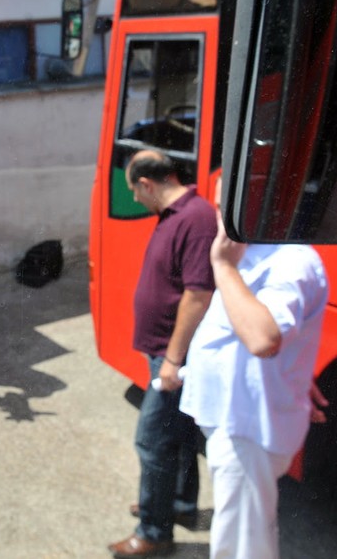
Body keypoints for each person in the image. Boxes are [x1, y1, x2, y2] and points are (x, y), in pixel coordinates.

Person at [180, 204, 329, 559]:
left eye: (223, 204)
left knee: (243, 542)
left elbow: (262, 337)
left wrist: (223, 267)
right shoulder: (250, 249)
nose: (217, 214)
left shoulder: (291, 261)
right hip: (238, 417)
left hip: (245, 429)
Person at [108, 149, 215, 558]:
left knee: (152, 440)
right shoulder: (176, 214)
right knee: (182, 435)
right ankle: (179, 505)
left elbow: (197, 293)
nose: (135, 199)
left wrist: (172, 359)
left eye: (135, 191)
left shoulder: (195, 218)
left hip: (175, 355)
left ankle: (154, 531)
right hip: (165, 351)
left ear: (148, 184)